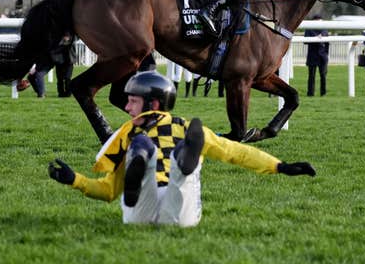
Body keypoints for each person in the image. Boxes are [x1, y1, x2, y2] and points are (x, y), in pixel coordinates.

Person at [48, 71, 315, 227]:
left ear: (152, 104)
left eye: (132, 101)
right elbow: (235, 152)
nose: (127, 108)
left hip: (138, 215)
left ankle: (156, 155)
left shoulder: (125, 133)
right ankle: (179, 158)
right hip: (182, 215)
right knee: (182, 170)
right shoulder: (185, 127)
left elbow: (108, 191)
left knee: (141, 147)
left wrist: (77, 182)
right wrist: (279, 166)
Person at [28, 33, 76, 97]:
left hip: (68, 61)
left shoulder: (70, 35)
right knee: (60, 79)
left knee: (67, 78)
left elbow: (67, 42)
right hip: (58, 60)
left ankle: (68, 94)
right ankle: (60, 94)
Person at [305, 16, 329, 97]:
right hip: (312, 55)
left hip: (322, 56)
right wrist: (315, 38)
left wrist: (326, 54)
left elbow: (327, 43)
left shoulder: (324, 29)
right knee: (311, 76)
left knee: (323, 76)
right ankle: (310, 93)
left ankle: (323, 93)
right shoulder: (309, 29)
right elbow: (305, 41)